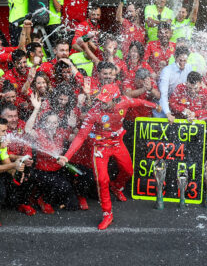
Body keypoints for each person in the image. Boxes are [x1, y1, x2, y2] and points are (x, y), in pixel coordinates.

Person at [58, 85, 159, 230]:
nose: (102, 104)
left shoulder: (124, 101)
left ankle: (117, 186)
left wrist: (156, 106)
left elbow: (139, 102)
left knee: (129, 171)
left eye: (106, 101)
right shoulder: (94, 112)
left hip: (117, 144)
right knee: (101, 180)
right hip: (100, 147)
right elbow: (80, 136)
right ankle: (107, 214)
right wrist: (67, 156)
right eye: (101, 100)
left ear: (116, 99)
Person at [157, 46, 191, 120]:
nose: (182, 63)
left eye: (184, 61)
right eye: (180, 60)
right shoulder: (166, 71)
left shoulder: (188, 68)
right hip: (164, 105)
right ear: (175, 57)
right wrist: (168, 113)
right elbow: (163, 94)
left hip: (178, 104)